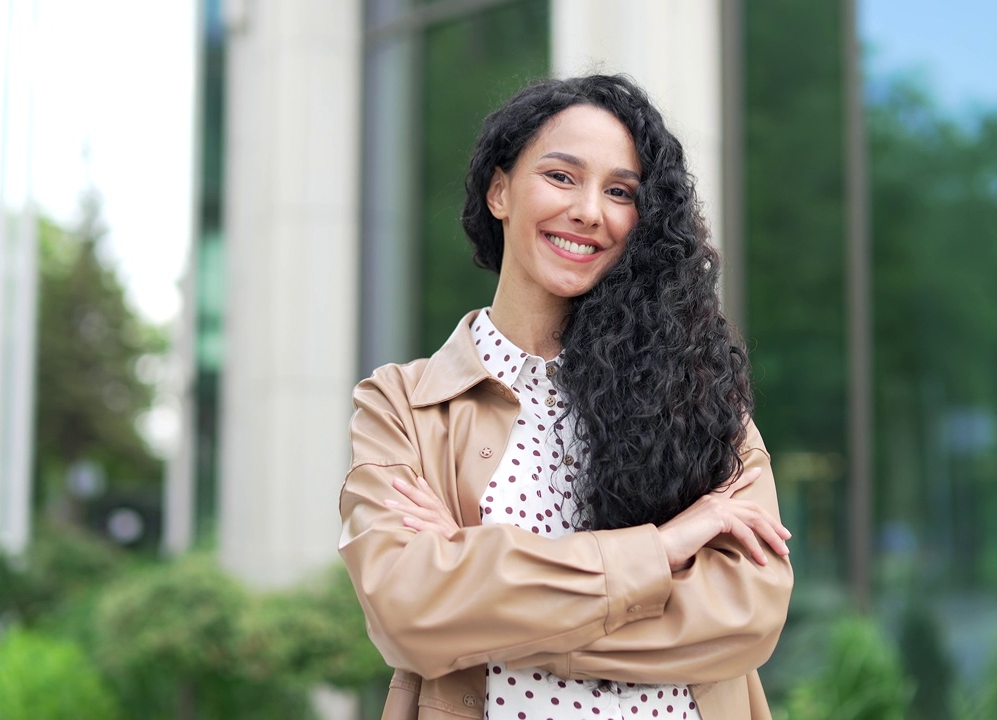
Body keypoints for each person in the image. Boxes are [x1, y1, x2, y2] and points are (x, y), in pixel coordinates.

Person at [340, 74, 794, 720]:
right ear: (500, 191)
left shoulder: (699, 393)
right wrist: (660, 552)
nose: (589, 211)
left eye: (620, 192)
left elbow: (745, 618)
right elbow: (409, 611)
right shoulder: (403, 406)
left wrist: (485, 597)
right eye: (561, 176)